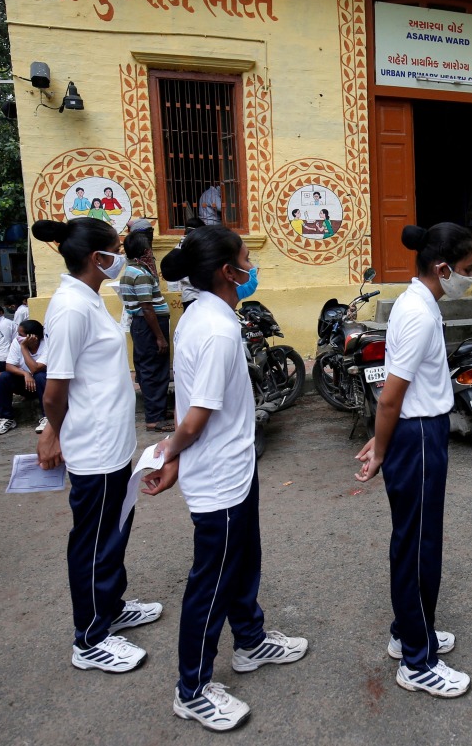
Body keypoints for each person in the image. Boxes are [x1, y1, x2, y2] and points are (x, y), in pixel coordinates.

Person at [144, 225, 308, 731]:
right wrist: (169, 454)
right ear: (225, 271)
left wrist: (176, 456)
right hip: (218, 478)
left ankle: (251, 641)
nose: (250, 266)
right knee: (211, 582)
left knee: (241, 563)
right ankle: (191, 689)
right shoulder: (214, 328)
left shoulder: (206, 316)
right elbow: (196, 416)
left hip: (232, 468)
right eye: (244, 259)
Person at [32, 217, 162, 673]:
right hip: (94, 447)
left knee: (114, 532)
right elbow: (53, 389)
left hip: (112, 444)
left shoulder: (88, 299)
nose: (122, 257)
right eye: (116, 250)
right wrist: (55, 432)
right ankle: (89, 640)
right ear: (97, 258)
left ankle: (112, 606)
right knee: (94, 541)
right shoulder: (71, 306)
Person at [354, 223, 472, 699]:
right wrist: (381, 447)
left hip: (420, 432)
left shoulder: (420, 303)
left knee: (417, 539)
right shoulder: (418, 314)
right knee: (419, 546)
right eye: (467, 270)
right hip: (418, 436)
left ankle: (410, 630)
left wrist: (385, 442)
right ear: (442, 268)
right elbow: (390, 397)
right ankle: (417, 662)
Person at [119, 231, 173, 432]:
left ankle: (157, 411)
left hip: (142, 326)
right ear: (145, 251)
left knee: (149, 368)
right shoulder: (140, 275)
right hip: (149, 326)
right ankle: (153, 418)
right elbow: (147, 307)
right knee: (154, 370)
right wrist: (159, 337)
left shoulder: (131, 271)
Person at [0, 320, 49, 436]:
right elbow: (9, 366)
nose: (18, 338)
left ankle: (48, 417)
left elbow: (35, 368)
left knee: (40, 375)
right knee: (4, 377)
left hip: (46, 387)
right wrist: (25, 374)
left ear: (34, 336)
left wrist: (24, 348)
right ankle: (6, 418)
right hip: (28, 384)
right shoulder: (16, 342)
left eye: (21, 335)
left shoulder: (47, 344)